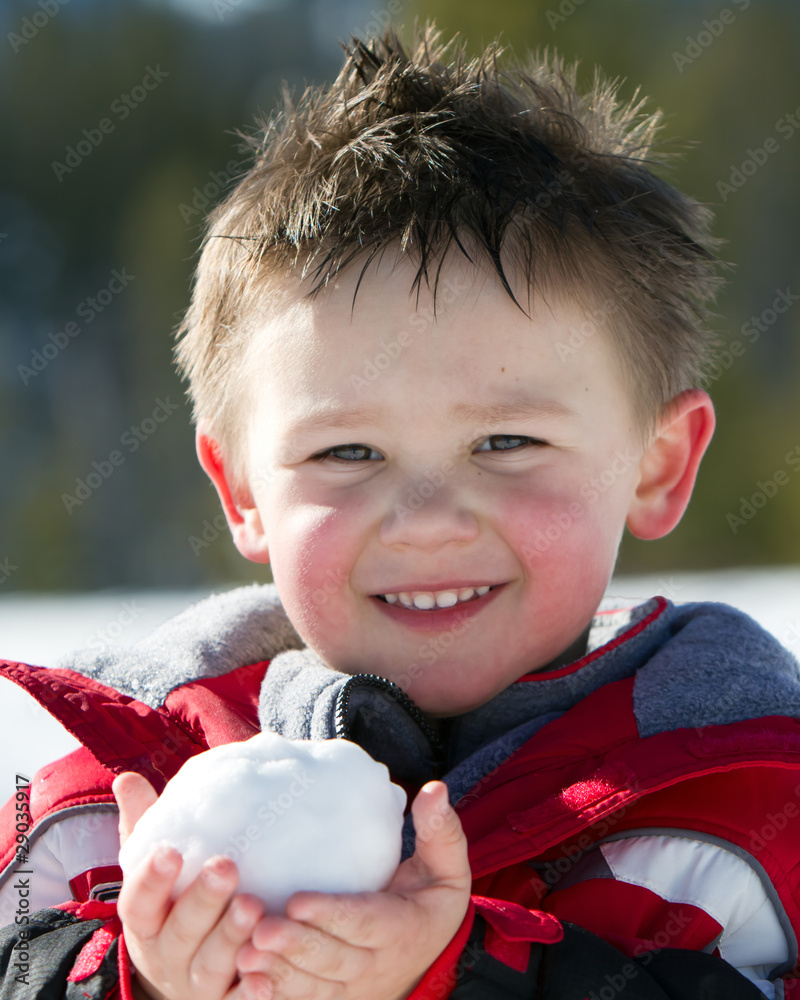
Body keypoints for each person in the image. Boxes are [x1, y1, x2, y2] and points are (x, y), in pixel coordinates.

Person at [2, 23, 800, 1000]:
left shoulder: (734, 796)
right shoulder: (124, 791)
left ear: (654, 463)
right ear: (245, 491)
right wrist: (139, 979)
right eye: (348, 452)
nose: (424, 519)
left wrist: (464, 973)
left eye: (505, 443)